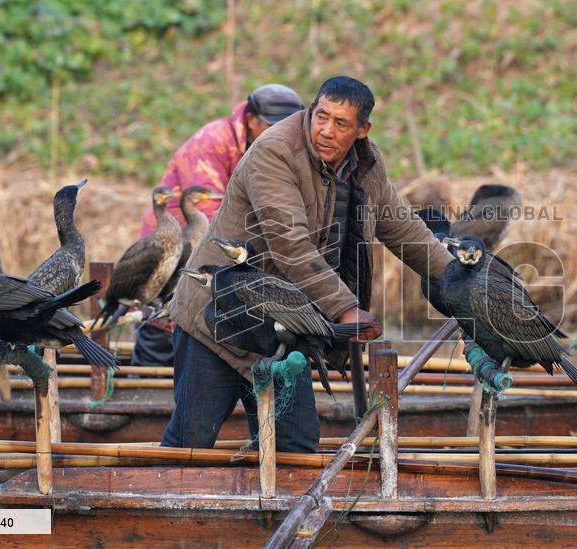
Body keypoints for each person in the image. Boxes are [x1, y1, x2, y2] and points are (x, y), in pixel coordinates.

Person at [163, 76, 454, 452]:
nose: (326, 131)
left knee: (295, 446)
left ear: (362, 130)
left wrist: (458, 279)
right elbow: (290, 245)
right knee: (191, 441)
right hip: (218, 317)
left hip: (281, 328)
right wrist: (346, 310)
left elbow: (401, 227)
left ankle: (270, 511)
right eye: (321, 117)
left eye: (341, 124)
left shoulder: (366, 164)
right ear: (311, 110)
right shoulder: (275, 151)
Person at [131, 84, 305, 367]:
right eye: (273, 126)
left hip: (221, 253)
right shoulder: (211, 143)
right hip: (175, 249)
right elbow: (210, 221)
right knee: (163, 334)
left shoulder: (272, 148)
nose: (281, 134)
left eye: (288, 128)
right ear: (251, 119)